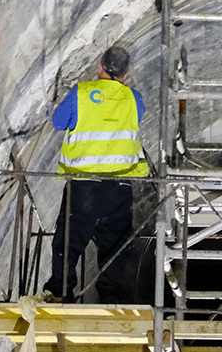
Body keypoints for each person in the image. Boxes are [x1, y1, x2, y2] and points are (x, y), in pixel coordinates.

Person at [43, 46, 149, 304]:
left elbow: (58, 123)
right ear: (125, 74)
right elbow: (138, 117)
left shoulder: (81, 93)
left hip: (84, 185)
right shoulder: (134, 99)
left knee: (70, 240)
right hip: (120, 184)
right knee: (115, 243)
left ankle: (61, 292)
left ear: (100, 66)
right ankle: (111, 295)